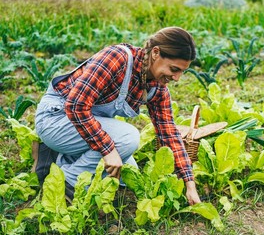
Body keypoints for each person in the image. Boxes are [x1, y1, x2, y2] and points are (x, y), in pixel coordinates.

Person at [33, 26, 201, 205]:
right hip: (56, 119)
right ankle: (68, 183)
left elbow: (169, 134)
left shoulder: (157, 88)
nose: (177, 78)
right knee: (128, 138)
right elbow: (76, 106)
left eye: (182, 72)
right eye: (174, 69)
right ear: (156, 53)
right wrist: (108, 150)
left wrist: (189, 184)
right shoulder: (118, 58)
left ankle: (51, 157)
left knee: (127, 173)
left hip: (80, 129)